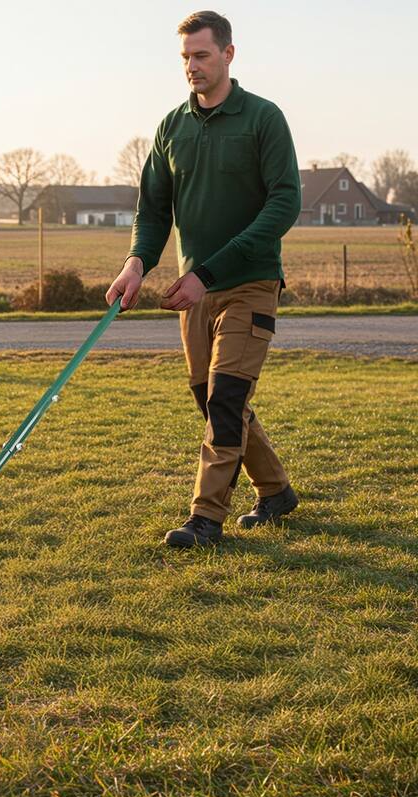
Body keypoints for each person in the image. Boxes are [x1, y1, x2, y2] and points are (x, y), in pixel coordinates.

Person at [106, 10, 301, 548]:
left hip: (251, 283)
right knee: (212, 397)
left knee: (226, 399)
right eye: (185, 58)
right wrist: (136, 263)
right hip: (195, 292)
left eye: (202, 55)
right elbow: (153, 210)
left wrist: (210, 270)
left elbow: (286, 203)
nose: (192, 66)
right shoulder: (172, 126)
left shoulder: (263, 118)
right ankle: (277, 491)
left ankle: (205, 519)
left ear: (228, 54)